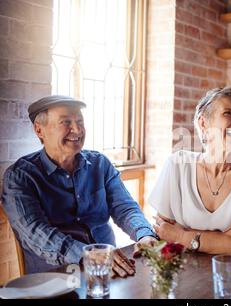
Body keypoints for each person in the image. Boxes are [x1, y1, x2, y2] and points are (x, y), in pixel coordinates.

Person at [1, 95, 158, 277]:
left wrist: (144, 234)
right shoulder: (20, 177)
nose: (77, 129)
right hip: (55, 280)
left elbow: (125, 208)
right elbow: (38, 234)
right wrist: (89, 255)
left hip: (108, 270)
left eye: (80, 122)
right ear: (39, 130)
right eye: (66, 122)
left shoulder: (100, 164)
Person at [149, 87, 231, 256]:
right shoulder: (178, 164)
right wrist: (226, 235)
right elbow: (163, 234)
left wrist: (181, 235)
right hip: (189, 273)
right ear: (203, 123)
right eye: (228, 113)